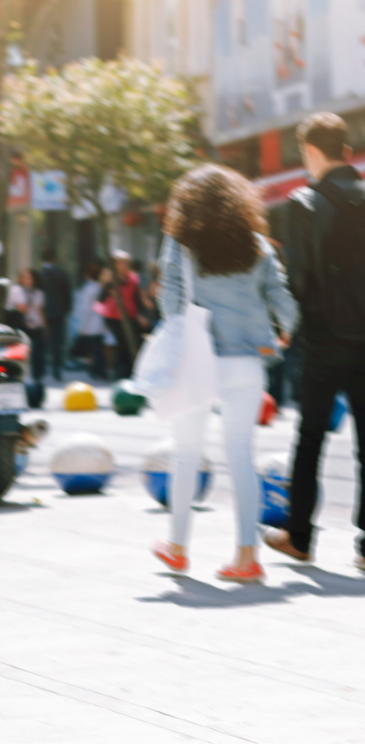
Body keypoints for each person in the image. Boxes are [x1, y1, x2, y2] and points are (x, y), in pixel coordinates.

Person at [154, 164, 297, 582]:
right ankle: (247, 557)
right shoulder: (257, 245)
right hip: (247, 360)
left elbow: (169, 299)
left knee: (185, 453)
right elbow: (281, 297)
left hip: (198, 360)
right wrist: (284, 333)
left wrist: (182, 334)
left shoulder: (179, 244)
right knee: (240, 456)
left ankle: (177, 548)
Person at [266, 112, 365, 569]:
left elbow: (297, 282)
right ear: (346, 151)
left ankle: (300, 536)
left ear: (309, 152)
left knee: (310, 439)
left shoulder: (300, 204)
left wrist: (287, 332)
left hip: (323, 340)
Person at [97, 250, 147, 379]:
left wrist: (140, 315)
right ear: (115, 265)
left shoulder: (133, 279)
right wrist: (111, 294)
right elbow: (100, 299)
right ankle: (122, 374)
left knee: (135, 343)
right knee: (123, 344)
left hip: (130, 316)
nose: (125, 265)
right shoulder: (110, 280)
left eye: (126, 263)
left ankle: (133, 373)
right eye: (121, 263)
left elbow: (137, 299)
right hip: (114, 318)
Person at [6, 268, 46, 381]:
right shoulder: (16, 290)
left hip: (35, 325)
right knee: (22, 352)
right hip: (21, 325)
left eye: (30, 277)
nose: (28, 280)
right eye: (25, 277)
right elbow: (21, 308)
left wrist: (43, 325)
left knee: (38, 352)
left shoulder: (39, 292)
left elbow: (40, 310)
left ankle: (37, 376)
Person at [40, 249, 72, 381]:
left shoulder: (40, 274)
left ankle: (41, 369)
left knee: (43, 341)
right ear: (54, 259)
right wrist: (66, 309)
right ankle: (56, 370)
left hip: (42, 312)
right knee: (58, 343)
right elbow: (67, 294)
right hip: (58, 313)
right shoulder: (61, 274)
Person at [73, 263, 108, 379]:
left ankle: (97, 370)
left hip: (91, 323)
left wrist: (83, 326)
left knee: (94, 350)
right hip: (100, 322)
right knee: (98, 349)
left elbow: (86, 309)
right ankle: (99, 370)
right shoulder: (100, 287)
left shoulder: (89, 289)